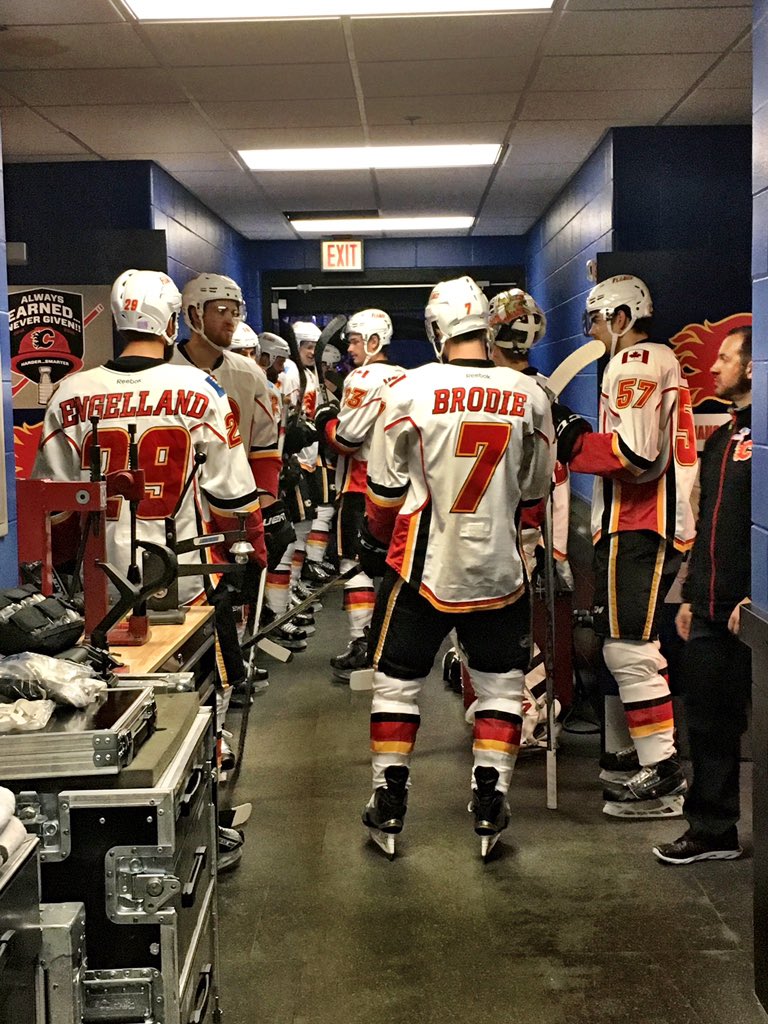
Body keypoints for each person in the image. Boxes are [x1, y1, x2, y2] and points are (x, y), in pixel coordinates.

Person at [33, 269, 267, 871]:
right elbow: (234, 496)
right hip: (182, 578)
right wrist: (249, 554)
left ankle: (120, 831)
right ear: (171, 322)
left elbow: (52, 505)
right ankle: (201, 820)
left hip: (97, 587)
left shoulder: (70, 393)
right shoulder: (200, 389)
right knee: (203, 701)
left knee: (110, 708)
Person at [359, 276, 554, 858]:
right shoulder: (530, 394)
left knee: (397, 686)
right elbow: (534, 489)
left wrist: (375, 539)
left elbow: (383, 493)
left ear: (437, 329)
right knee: (500, 687)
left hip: (422, 569)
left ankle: (389, 799)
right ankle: (491, 797)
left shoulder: (408, 389)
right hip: (500, 568)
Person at [553, 274, 697, 816]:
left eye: (595, 318)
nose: (591, 329)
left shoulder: (634, 361)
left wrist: (572, 440)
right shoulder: (655, 360)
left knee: (629, 649)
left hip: (640, 520)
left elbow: (635, 454)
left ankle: (662, 768)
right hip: (647, 520)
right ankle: (652, 752)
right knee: (631, 645)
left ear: (620, 316)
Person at [653, 326, 752, 864]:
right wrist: (689, 595)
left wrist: (758, 597)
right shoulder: (720, 441)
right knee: (709, 723)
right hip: (711, 610)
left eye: (725, 359)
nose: (713, 368)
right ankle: (714, 831)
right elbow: (705, 522)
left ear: (753, 367)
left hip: (753, 612)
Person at [314, 308, 404, 682]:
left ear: (373, 341)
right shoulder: (404, 377)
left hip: (362, 486)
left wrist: (324, 418)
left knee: (355, 568)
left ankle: (363, 644)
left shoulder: (363, 377)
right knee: (395, 569)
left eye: (354, 341)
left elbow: (345, 440)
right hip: (401, 489)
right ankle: (389, 644)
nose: (350, 349)